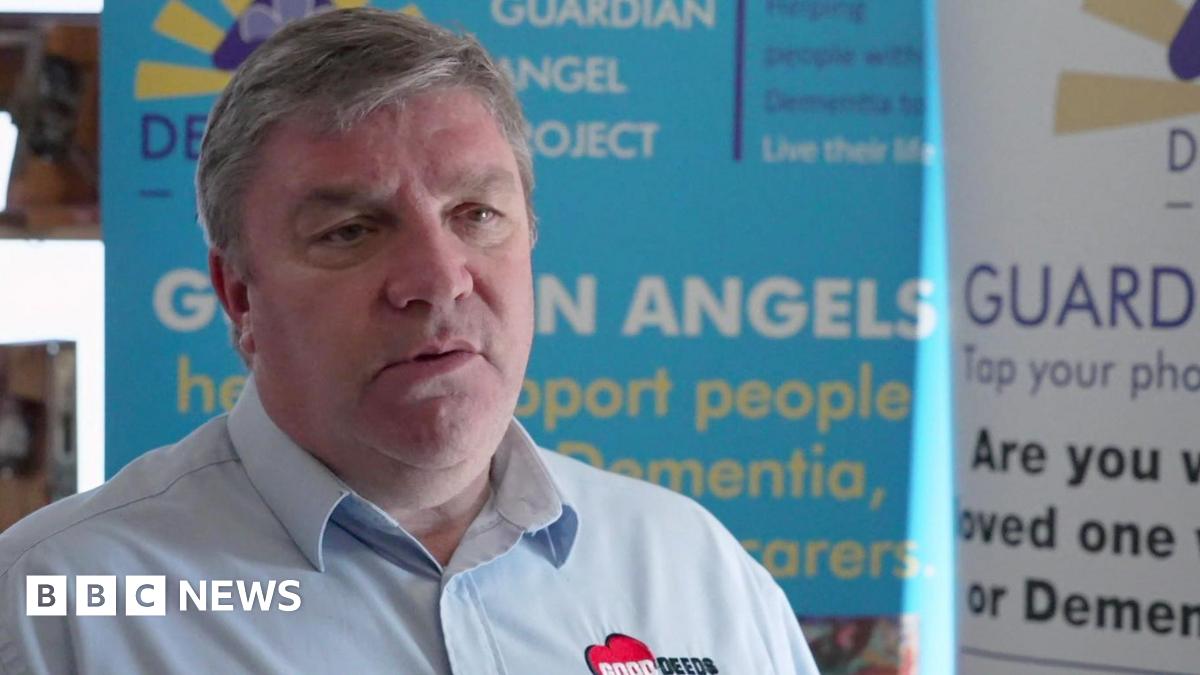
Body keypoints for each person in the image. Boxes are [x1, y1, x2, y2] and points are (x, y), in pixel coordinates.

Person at [0, 9, 820, 674]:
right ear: (240, 295)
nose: (438, 278)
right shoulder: (60, 605)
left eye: (476, 214)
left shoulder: (695, 569)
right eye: (352, 231)